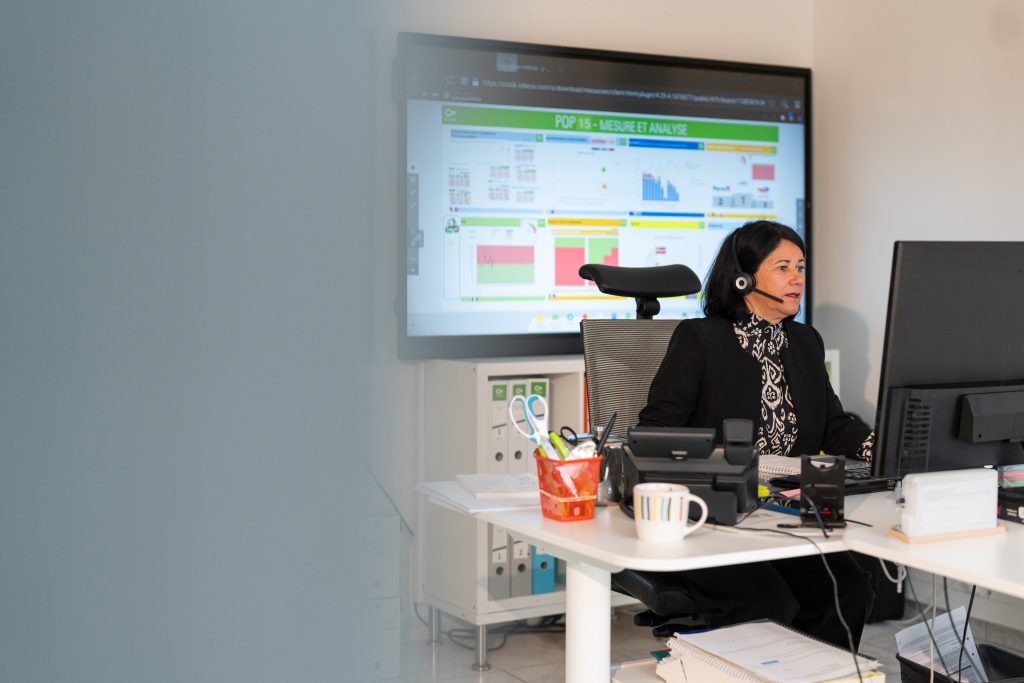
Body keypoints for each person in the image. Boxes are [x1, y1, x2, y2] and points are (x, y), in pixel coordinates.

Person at [636, 220, 875, 650]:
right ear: (743, 278)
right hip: (712, 516)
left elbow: (833, 423)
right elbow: (657, 432)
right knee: (769, 602)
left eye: (801, 267)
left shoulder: (805, 341)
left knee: (848, 589)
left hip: (783, 515)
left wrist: (884, 445)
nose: (798, 278)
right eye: (783, 267)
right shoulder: (701, 339)